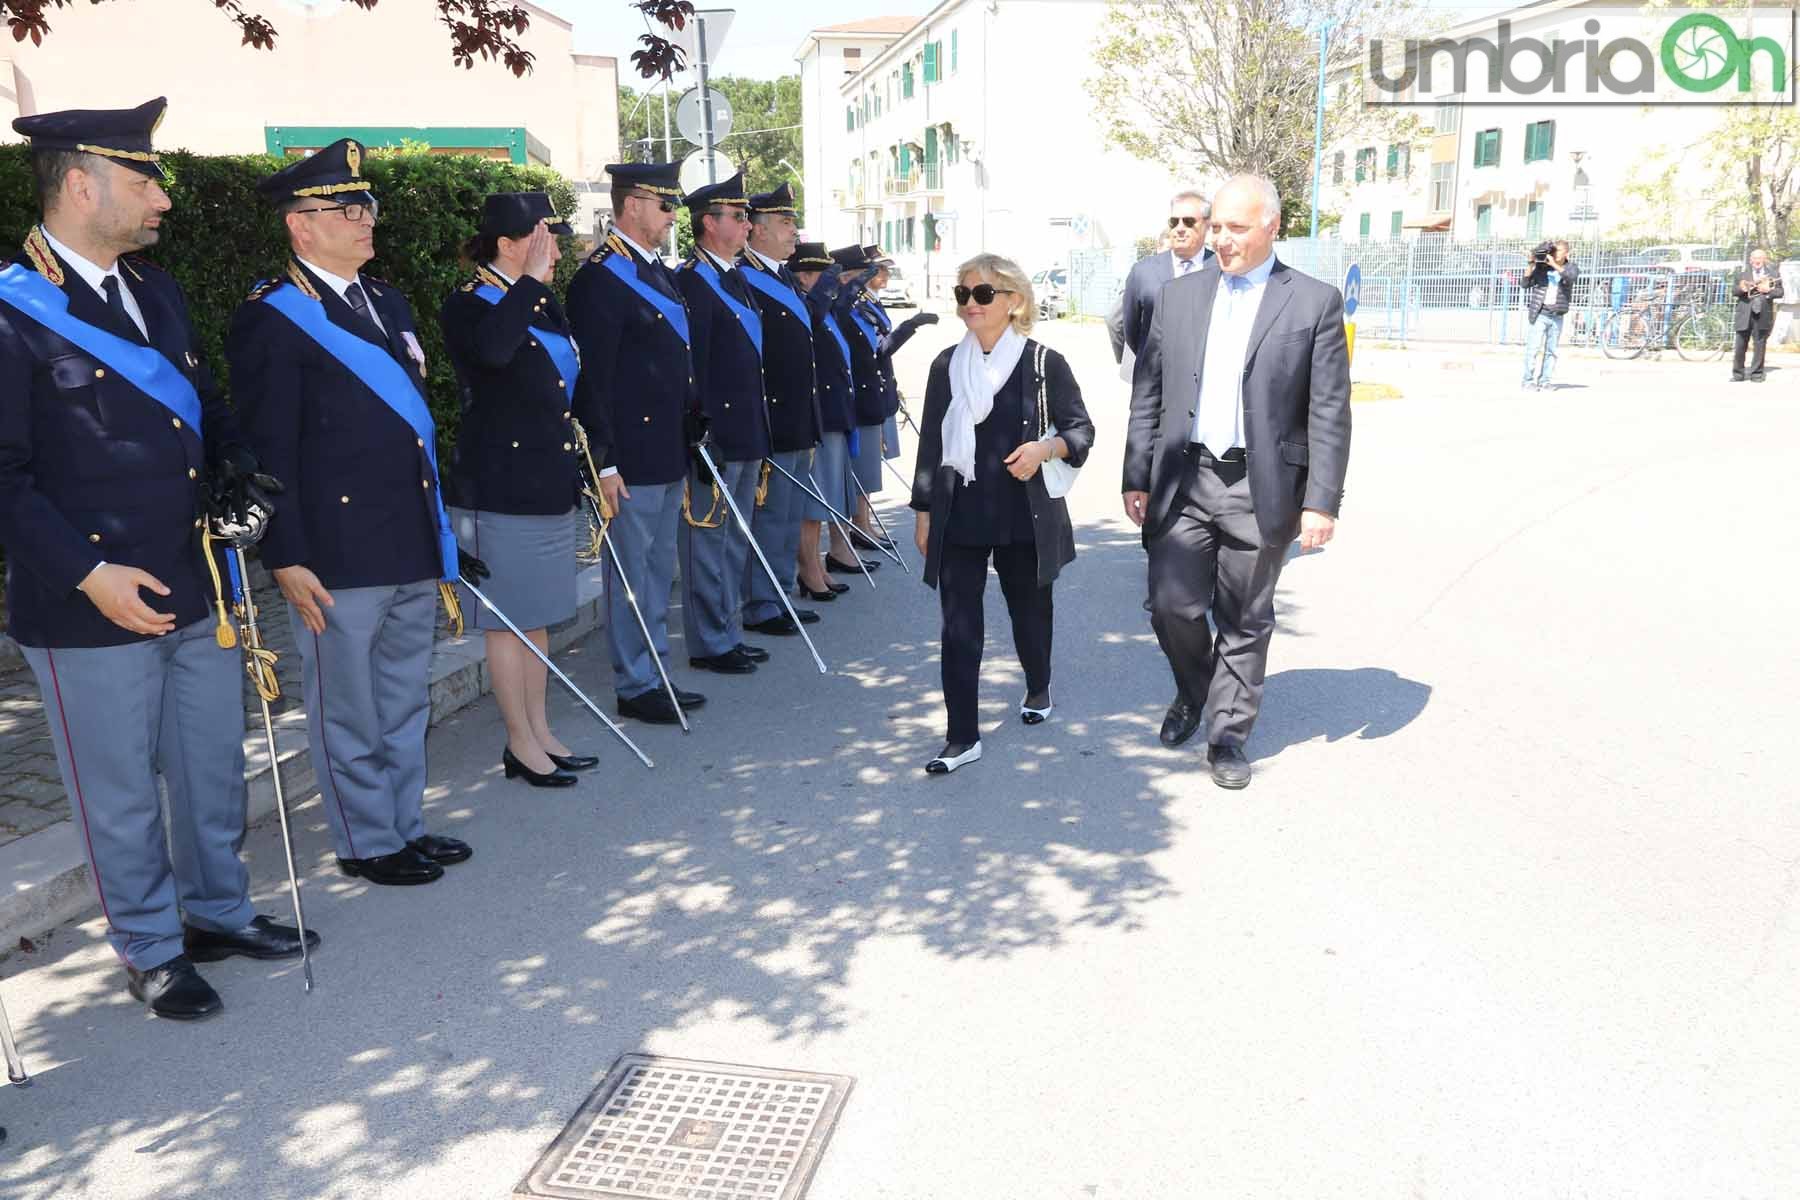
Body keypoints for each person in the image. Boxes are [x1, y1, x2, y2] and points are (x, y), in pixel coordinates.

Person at [1, 98, 315, 1019]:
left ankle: (217, 911)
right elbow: (7, 476)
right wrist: (87, 573)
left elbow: (203, 403)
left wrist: (237, 471)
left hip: (195, 580)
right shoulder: (15, 311)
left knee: (213, 764)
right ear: (79, 183)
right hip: (88, 601)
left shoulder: (157, 291)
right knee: (121, 792)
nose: (163, 200)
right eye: (144, 180)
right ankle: (148, 944)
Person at [229, 138, 476, 885]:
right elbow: (270, 447)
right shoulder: (272, 317)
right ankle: (366, 840)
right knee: (349, 708)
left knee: (403, 699)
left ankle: (404, 824)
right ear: (299, 225)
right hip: (335, 551)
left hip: (404, 536)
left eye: (366, 204)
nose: (366, 218)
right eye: (347, 208)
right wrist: (287, 554)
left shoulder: (387, 301)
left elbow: (411, 429)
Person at [1122, 174, 1351, 791]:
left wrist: (1321, 501)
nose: (1220, 239)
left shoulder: (1313, 301)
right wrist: (1135, 472)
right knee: (1171, 604)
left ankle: (1226, 735)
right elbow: (1149, 392)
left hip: (1263, 484)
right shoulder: (1179, 297)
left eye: (1235, 228)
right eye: (1215, 227)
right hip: (1184, 477)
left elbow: (1329, 407)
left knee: (1245, 616)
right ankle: (1196, 689)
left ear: (1272, 226)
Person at [910, 253, 1093, 775]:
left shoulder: (1043, 363)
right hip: (960, 509)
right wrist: (924, 511)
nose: (970, 303)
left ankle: (1038, 684)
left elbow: (1081, 430)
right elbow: (931, 446)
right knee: (958, 626)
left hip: (1023, 514)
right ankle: (961, 736)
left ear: (1013, 302)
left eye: (983, 294)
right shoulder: (946, 365)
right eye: (963, 294)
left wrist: (1045, 449)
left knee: (1029, 617)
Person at [439, 191, 593, 787]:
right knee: (508, 621)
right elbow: (495, 354)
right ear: (508, 245)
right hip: (498, 487)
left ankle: (541, 730)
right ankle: (519, 742)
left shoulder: (539, 301)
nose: (553, 250)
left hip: (546, 480)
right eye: (541, 238)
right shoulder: (469, 305)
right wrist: (528, 285)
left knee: (538, 618)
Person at [566, 162, 708, 723]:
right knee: (630, 574)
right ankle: (635, 683)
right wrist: (603, 462)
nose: (674, 215)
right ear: (631, 208)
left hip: (667, 448)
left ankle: (656, 672)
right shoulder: (601, 278)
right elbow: (592, 379)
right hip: (629, 455)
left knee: (655, 572)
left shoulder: (654, 270)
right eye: (665, 204)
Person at [674, 172, 772, 676]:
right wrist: (700, 428)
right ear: (709, 224)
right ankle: (709, 640)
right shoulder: (692, 279)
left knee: (735, 538)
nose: (747, 224)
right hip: (717, 431)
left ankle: (728, 629)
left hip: (747, 427)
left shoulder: (733, 275)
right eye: (738, 217)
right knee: (707, 540)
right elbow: (695, 363)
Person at [737, 182, 822, 636]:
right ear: (759, 230)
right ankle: (762, 603)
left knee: (788, 517)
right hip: (773, 417)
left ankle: (781, 594)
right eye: (786, 223)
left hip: (797, 417)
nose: (794, 232)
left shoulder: (780, 276)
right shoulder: (746, 277)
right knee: (769, 517)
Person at [786, 241, 859, 607]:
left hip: (831, 411)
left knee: (822, 501)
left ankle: (816, 566)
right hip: (819, 413)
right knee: (812, 504)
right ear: (803, 277)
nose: (829, 284)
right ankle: (809, 568)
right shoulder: (804, 308)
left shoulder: (822, 309)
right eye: (819, 275)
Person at [829, 244, 888, 579]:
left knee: (857, 478)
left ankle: (856, 533)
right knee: (841, 482)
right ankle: (840, 547)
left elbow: (879, 346)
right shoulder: (839, 307)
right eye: (861, 274)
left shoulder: (855, 305)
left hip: (865, 397)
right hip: (848, 403)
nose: (875, 276)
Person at [1120, 191, 1214, 362]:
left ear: (1207, 225)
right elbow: (1131, 331)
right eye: (1174, 222)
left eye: (1188, 221)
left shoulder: (1221, 269)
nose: (1179, 229)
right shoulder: (1142, 272)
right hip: (1155, 380)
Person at [1521, 239, 1578, 391]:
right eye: (1553, 251)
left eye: (1558, 251)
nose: (1554, 254)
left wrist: (1553, 264)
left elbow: (1571, 278)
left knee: (1551, 351)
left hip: (1557, 315)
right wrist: (1531, 264)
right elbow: (1525, 284)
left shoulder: (1571, 267)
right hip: (1540, 313)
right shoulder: (1542, 267)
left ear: (1567, 253)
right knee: (1533, 349)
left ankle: (1545, 381)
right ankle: (1527, 381)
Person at [1732, 248, 1783, 383]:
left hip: (1762, 314)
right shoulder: (1742, 275)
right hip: (1744, 314)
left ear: (1764, 260)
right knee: (1740, 345)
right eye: (1754, 258)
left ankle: (1757, 374)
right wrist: (1742, 288)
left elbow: (1780, 292)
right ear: (1750, 260)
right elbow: (1734, 291)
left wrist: (1768, 291)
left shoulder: (1773, 274)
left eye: (1759, 258)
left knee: (1760, 345)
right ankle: (1738, 374)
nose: (1757, 261)